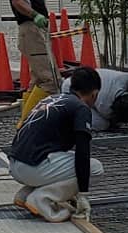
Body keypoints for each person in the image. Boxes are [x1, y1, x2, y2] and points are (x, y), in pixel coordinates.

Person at [8, 66, 106, 221]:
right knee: (94, 168)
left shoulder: (52, 99)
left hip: (15, 164)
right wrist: (83, 194)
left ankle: (25, 194)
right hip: (32, 167)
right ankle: (41, 198)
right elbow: (83, 151)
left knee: (66, 157)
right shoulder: (81, 108)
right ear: (94, 93)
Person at [63, 66, 128, 132]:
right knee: (101, 124)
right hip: (70, 87)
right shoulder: (105, 107)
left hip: (82, 82)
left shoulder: (123, 79)